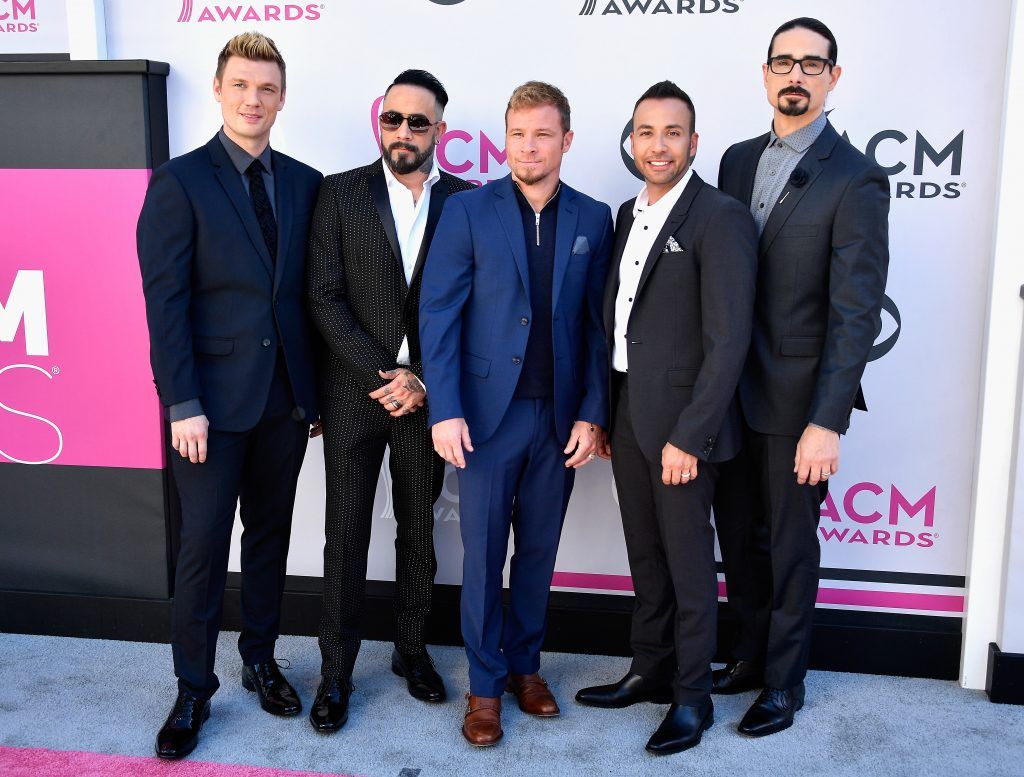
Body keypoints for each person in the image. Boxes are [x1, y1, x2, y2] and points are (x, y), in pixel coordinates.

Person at [136, 32, 323, 760]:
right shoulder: (179, 182)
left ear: (282, 96)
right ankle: (192, 686)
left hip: (284, 403)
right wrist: (182, 402)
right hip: (207, 410)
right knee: (204, 547)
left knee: (271, 539)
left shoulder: (307, 183)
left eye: (267, 87)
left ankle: (260, 658)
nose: (254, 99)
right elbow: (166, 305)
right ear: (217, 90)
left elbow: (307, 297)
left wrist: (310, 395)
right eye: (241, 85)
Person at [419, 81, 613, 747]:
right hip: (483, 419)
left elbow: (597, 329)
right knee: (480, 561)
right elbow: (437, 316)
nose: (529, 145)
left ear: (566, 139)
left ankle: (527, 668)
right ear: (506, 139)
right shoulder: (469, 212)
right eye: (519, 133)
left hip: (557, 421)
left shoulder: (594, 218)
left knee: (537, 553)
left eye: (543, 133)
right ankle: (483, 685)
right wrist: (443, 409)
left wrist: (593, 412)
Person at [712, 17, 890, 736]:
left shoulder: (856, 177)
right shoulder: (732, 159)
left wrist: (828, 420)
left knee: (789, 545)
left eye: (811, 65)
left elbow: (857, 312)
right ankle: (750, 656)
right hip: (726, 394)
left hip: (796, 406)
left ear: (833, 79)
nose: (796, 75)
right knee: (741, 537)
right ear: (764, 74)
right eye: (783, 62)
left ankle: (785, 682)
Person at [574, 81, 757, 755]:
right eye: (646, 132)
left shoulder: (720, 217)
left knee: (686, 567)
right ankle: (648, 667)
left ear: (694, 142)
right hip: (628, 414)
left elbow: (728, 339)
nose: (659, 145)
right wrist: (608, 416)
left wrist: (692, 433)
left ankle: (691, 697)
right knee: (645, 557)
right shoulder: (628, 213)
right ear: (633, 141)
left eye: (673, 132)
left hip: (685, 427)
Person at [305, 69, 474, 732]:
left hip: (426, 397)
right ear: (382, 123)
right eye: (393, 119)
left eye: (418, 122)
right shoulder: (339, 192)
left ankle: (410, 650)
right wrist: (386, 374)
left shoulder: (466, 201)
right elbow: (323, 295)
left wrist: (423, 377)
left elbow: (471, 303)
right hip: (355, 391)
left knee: (418, 530)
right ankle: (336, 671)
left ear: (441, 131)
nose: (403, 132)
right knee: (343, 533)